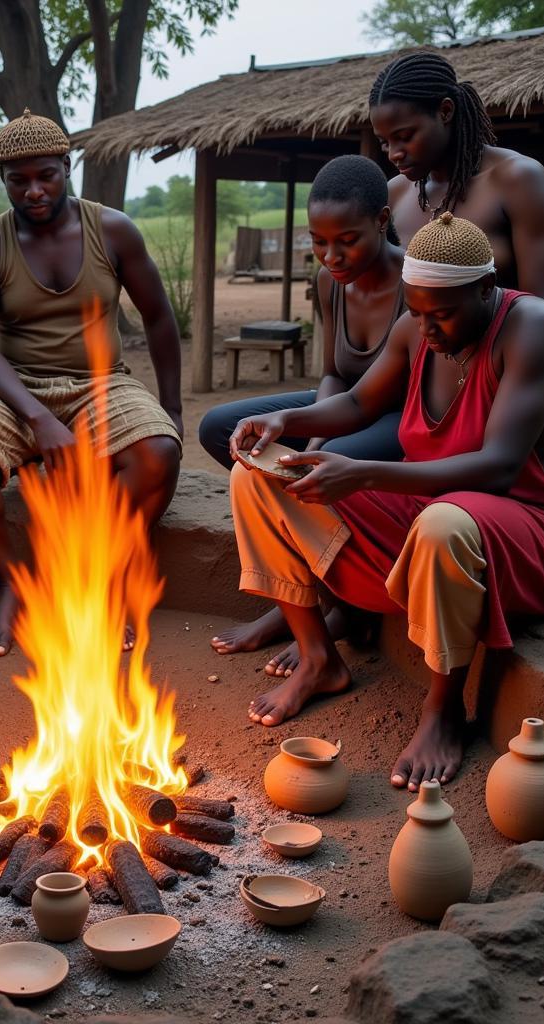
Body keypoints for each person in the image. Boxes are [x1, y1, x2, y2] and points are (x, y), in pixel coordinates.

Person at [226, 213, 544, 791]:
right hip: (440, 524)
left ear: (485, 290)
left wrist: (365, 475)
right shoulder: (417, 329)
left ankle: (444, 708)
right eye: (416, 312)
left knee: (445, 523)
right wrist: (284, 419)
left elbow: (499, 466)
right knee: (258, 478)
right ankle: (318, 657)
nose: (426, 329)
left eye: (441, 314)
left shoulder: (532, 326)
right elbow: (356, 405)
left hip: (538, 535)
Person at [0, 109, 183, 657]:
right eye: (18, 181)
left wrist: (174, 409)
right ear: (3, 182)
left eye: (46, 175)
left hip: (102, 384)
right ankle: (17, 582)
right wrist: (38, 419)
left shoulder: (111, 230)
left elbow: (159, 318)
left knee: (159, 451)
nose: (34, 190)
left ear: (67, 167)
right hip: (12, 385)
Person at [200, 155, 405, 672]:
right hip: (345, 401)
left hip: (398, 417)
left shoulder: (415, 284)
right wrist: (313, 429)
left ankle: (326, 609)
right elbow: (336, 372)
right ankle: (308, 596)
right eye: (318, 241)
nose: (331, 255)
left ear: (382, 221)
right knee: (221, 428)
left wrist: (317, 436)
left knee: (322, 463)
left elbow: (374, 400)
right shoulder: (329, 281)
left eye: (347, 240)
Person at [369, 50, 544, 318]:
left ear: (445, 111)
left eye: (405, 136)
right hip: (409, 358)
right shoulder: (394, 194)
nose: (394, 152)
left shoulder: (517, 180)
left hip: (500, 358)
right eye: (384, 142)